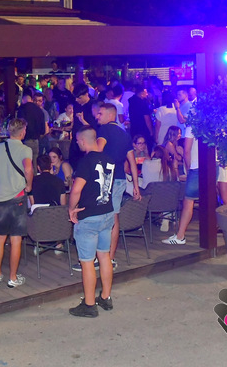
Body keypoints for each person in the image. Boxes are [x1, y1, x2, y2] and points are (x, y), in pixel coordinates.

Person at [67, 126, 116, 317]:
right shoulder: (109, 158)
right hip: (107, 213)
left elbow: (76, 189)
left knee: (87, 261)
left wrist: (71, 209)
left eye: (78, 141)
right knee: (104, 256)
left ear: (82, 141)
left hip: (89, 217)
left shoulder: (86, 161)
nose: (77, 144)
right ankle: (105, 297)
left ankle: (89, 305)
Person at [0, 118, 33, 288]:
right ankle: (13, 277)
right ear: (23, 132)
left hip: (0, 198)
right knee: (16, 240)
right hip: (17, 198)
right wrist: (29, 185)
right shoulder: (25, 149)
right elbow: (28, 169)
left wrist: (1, 179)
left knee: (0, 238)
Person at [95, 102, 140, 264]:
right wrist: (135, 186)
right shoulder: (125, 134)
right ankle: (111, 258)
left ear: (110, 115)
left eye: (100, 113)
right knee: (114, 218)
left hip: (105, 178)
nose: (97, 116)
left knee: (100, 218)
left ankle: (99, 257)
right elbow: (133, 162)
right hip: (120, 178)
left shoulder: (104, 130)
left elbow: (98, 151)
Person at [164, 115, 202, 245]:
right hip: (212, 166)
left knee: (188, 201)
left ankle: (180, 236)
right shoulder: (210, 125)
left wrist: (189, 169)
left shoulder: (191, 127)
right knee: (208, 200)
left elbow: (187, 152)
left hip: (196, 167)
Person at [17, 88, 49, 163]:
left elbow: (19, 125)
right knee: (34, 163)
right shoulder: (40, 111)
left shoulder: (22, 109)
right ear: (31, 99)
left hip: (25, 141)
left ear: (23, 100)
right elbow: (43, 130)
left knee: (25, 163)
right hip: (36, 142)